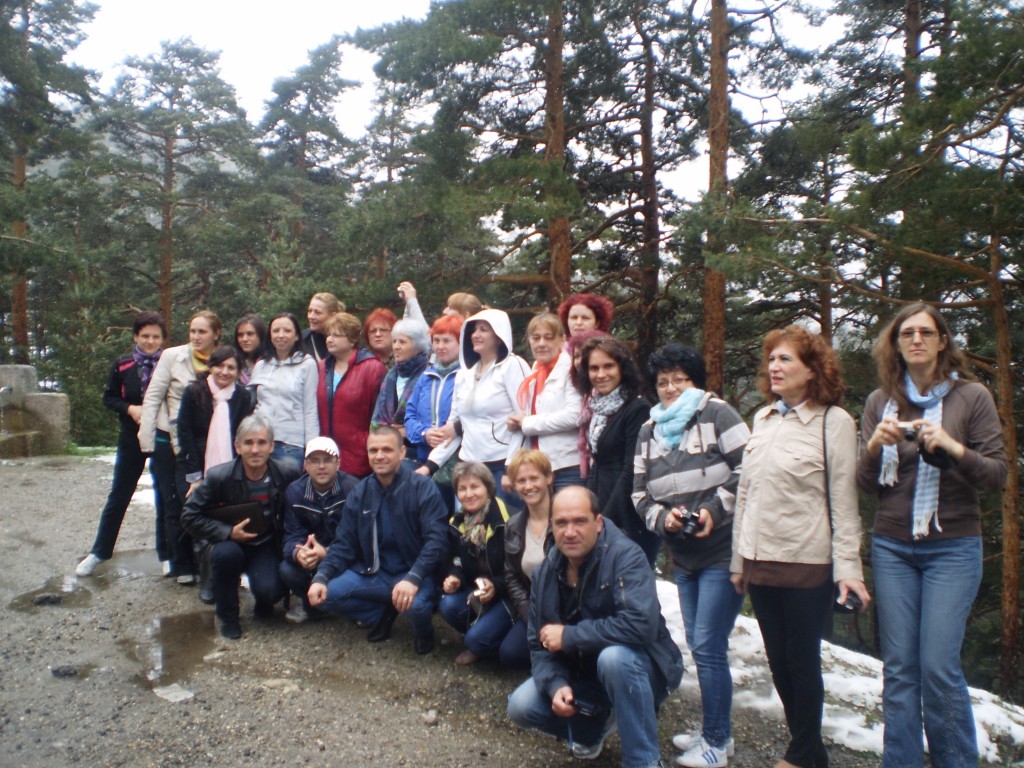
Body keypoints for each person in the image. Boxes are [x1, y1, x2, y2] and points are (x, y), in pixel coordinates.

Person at [858, 304, 1006, 768]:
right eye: (907, 333)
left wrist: (953, 447)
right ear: (896, 344)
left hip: (953, 547)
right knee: (900, 669)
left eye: (926, 332)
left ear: (943, 341)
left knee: (938, 667)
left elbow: (997, 475)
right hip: (892, 545)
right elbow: (865, 483)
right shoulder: (879, 402)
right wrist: (874, 447)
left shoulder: (972, 397)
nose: (916, 339)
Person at [730, 325, 871, 768]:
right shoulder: (764, 419)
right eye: (771, 359)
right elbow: (747, 495)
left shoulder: (834, 422)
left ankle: (803, 753)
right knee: (777, 660)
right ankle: (808, 750)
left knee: (801, 660)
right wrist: (738, 561)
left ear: (812, 371)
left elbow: (844, 503)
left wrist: (849, 569)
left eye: (786, 359)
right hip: (759, 561)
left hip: (807, 562)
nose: (774, 366)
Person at [632, 344, 750, 768]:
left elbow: (749, 468)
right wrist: (662, 518)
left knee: (707, 643)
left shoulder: (718, 415)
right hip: (683, 556)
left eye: (679, 379)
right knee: (703, 647)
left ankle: (717, 742)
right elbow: (639, 493)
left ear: (695, 381)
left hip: (723, 550)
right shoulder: (650, 431)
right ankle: (716, 731)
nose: (670, 388)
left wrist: (711, 511)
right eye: (663, 381)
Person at [506, 486, 683, 768]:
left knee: (615, 659)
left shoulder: (626, 557)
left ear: (598, 523)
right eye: (561, 523)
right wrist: (556, 685)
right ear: (552, 526)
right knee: (521, 706)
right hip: (584, 673)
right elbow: (537, 643)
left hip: (643, 668)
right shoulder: (545, 572)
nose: (570, 531)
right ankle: (593, 730)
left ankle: (644, 761)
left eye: (580, 521)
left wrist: (570, 636)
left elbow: (640, 626)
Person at [308, 427, 449, 655]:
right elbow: (344, 543)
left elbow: (437, 540)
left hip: (415, 573)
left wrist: (413, 578)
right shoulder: (360, 491)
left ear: (402, 452)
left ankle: (423, 632)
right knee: (325, 595)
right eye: (373, 450)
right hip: (375, 572)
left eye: (386, 449)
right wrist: (321, 577)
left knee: (416, 607)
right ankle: (384, 611)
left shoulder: (423, 488)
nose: (379, 456)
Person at [181, 415, 300, 639]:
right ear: (237, 447)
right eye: (248, 443)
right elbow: (189, 515)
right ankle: (228, 616)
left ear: (272, 446)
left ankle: (264, 602)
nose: (255, 450)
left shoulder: (287, 474)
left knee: (270, 591)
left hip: (265, 543)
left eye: (261, 443)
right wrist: (227, 532)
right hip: (229, 543)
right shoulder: (218, 477)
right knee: (226, 556)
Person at [76, 311, 169, 577]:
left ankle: (166, 554)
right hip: (131, 437)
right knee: (119, 495)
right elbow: (109, 398)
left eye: (155, 337)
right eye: (145, 336)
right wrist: (130, 409)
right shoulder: (123, 364)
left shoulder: (169, 363)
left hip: (161, 436)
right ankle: (99, 552)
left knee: (164, 496)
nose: (150, 342)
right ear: (135, 337)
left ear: (163, 339)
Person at [139, 309, 222, 583]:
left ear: (216, 334)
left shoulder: (222, 360)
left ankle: (204, 561)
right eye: (192, 331)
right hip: (169, 438)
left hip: (206, 443)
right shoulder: (172, 356)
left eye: (202, 332)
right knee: (173, 502)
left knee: (202, 501)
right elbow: (153, 397)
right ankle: (181, 563)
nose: (196, 337)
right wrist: (146, 439)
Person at [176, 345, 255, 602]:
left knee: (231, 518)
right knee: (201, 519)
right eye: (220, 365)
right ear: (211, 366)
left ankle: (232, 576)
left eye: (231, 367)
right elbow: (184, 433)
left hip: (231, 467)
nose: (225, 371)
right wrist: (194, 476)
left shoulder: (242, 397)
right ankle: (207, 580)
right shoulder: (194, 392)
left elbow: (244, 434)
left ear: (238, 371)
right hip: (199, 466)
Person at [426, 308, 529, 503]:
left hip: (502, 468)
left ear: (499, 335)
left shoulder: (512, 366)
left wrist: (513, 468)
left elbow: (524, 420)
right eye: (473, 330)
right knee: (471, 531)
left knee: (504, 528)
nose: (476, 335)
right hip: (469, 468)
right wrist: (429, 465)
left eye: (484, 329)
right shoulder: (463, 374)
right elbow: (454, 428)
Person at [578, 336, 658, 564]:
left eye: (608, 366)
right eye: (594, 368)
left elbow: (631, 469)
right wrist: (591, 510)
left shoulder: (637, 408)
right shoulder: (600, 410)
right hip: (603, 510)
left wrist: (607, 518)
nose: (601, 374)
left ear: (622, 368)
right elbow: (597, 464)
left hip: (629, 517)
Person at [439, 462, 513, 665]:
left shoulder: (506, 521)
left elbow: (518, 572)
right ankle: (483, 637)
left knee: (475, 640)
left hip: (508, 596)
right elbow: (456, 559)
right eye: (462, 489)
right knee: (447, 604)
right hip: (479, 592)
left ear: (488, 488)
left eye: (475, 487)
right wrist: (455, 576)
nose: (468, 494)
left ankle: (489, 641)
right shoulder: (458, 521)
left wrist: (495, 586)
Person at [279, 437, 357, 624]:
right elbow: (291, 535)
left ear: (338, 463)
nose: (321, 466)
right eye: (314, 460)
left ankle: (350, 605)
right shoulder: (294, 492)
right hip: (311, 557)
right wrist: (299, 553)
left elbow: (359, 538)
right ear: (305, 465)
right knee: (287, 570)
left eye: (327, 460)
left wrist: (328, 553)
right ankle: (313, 606)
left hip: (345, 557)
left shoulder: (353, 488)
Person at [506, 313, 583, 491]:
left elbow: (575, 415)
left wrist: (528, 423)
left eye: (548, 338)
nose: (541, 344)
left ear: (562, 340)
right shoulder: (535, 370)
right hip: (538, 466)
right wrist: (518, 422)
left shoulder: (571, 369)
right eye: (536, 338)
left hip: (566, 465)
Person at [500, 449, 555, 669]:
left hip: (566, 607)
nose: (528, 486)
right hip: (533, 607)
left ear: (548, 478)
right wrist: (526, 613)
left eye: (534, 478)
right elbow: (511, 575)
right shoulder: (513, 525)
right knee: (509, 654)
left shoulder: (566, 517)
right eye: (521, 481)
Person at [316, 312, 387, 478]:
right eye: (328, 335)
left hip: (359, 456)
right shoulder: (321, 367)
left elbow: (379, 417)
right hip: (325, 455)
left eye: (336, 335)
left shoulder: (373, 368)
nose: (329, 339)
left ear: (352, 340)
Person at [405, 314, 463, 509]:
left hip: (458, 462)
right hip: (425, 458)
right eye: (436, 340)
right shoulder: (426, 376)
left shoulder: (466, 376)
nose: (440, 346)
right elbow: (410, 415)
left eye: (447, 340)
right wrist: (425, 434)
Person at [250, 313, 319, 475]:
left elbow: (310, 409)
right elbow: (254, 404)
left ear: (296, 336)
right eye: (276, 331)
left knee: (288, 494)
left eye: (287, 331)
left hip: (291, 444)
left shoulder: (307, 364)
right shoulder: (261, 365)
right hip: (261, 442)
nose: (281, 335)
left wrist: (311, 449)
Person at [370, 318, 431, 443]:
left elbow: (429, 419)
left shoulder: (428, 375)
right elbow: (377, 418)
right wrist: (391, 433)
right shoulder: (390, 375)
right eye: (394, 341)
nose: (396, 347)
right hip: (389, 447)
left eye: (402, 342)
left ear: (418, 347)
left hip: (417, 449)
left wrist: (407, 431)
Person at [398, 281, 482, 326]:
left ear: (466, 315)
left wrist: (412, 300)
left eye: (451, 308)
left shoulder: (462, 341)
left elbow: (424, 334)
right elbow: (408, 328)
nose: (444, 311)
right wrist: (408, 301)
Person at [303, 292, 344, 363]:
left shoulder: (346, 341)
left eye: (317, 312)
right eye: (310, 311)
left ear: (333, 315)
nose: (311, 316)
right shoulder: (301, 339)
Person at [233, 314, 267, 386]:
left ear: (260, 336)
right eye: (240, 335)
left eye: (250, 334)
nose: (244, 339)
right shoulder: (234, 363)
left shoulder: (270, 363)